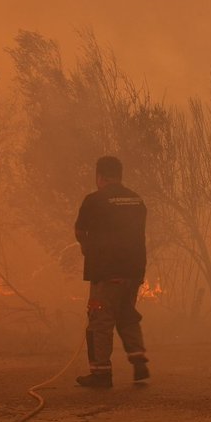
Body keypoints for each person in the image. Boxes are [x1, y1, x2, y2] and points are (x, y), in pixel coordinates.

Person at [74, 156, 150, 388]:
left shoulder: (94, 200)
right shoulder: (136, 201)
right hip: (134, 271)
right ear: (119, 175)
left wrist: (89, 251)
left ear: (100, 177)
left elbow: (79, 231)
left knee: (100, 321)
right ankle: (139, 360)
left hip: (107, 272)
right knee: (126, 314)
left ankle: (101, 374)